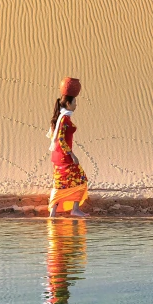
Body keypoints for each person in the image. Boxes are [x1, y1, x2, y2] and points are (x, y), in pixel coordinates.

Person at [48, 77, 89, 218]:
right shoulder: (64, 119)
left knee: (60, 182)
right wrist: (72, 154)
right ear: (68, 103)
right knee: (81, 178)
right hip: (64, 157)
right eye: (75, 102)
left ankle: (53, 213)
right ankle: (74, 209)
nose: (76, 105)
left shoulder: (61, 117)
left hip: (57, 156)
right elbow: (60, 138)